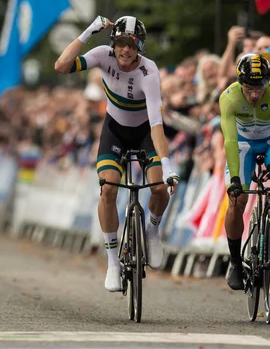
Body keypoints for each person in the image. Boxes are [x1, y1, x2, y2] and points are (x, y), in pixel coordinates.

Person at [54, 15, 180, 292]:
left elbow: (157, 123)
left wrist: (168, 165)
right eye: (121, 43)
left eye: (132, 45)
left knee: (159, 188)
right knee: (108, 190)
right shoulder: (102, 55)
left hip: (145, 132)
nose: (126, 50)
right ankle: (112, 262)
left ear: (140, 48)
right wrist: (89, 31)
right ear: (113, 43)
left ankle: (153, 232)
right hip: (115, 131)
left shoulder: (149, 72)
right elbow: (62, 65)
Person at [219, 53, 270, 290]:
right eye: (249, 88)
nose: (254, 94)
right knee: (236, 198)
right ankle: (234, 262)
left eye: (259, 88)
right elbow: (230, 141)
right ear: (240, 82)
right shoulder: (229, 98)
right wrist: (234, 179)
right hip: (242, 145)